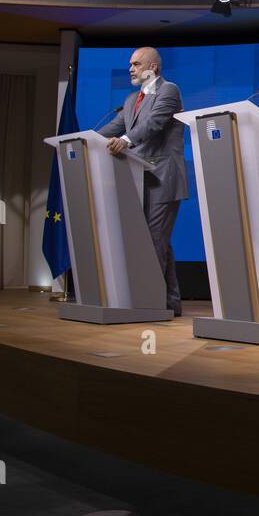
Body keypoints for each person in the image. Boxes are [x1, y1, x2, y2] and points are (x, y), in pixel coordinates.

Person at [100, 47, 188, 316]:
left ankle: (149, 303)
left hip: (163, 179)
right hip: (140, 179)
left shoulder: (168, 91)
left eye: (136, 64)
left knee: (154, 240)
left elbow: (152, 124)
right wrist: (82, 142)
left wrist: (125, 141)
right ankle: (169, 302)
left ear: (154, 67)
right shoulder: (130, 100)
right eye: (130, 64)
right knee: (160, 242)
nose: (131, 69)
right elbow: (113, 128)